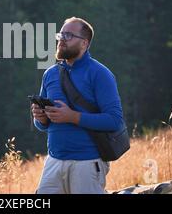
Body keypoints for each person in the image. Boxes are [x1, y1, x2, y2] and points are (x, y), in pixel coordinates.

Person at [32, 17, 125, 194]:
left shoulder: (100, 74)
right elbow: (42, 125)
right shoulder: (50, 74)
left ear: (84, 43)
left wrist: (72, 116)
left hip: (87, 164)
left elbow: (114, 120)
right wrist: (41, 118)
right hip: (53, 162)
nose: (61, 39)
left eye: (68, 35)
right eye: (61, 34)